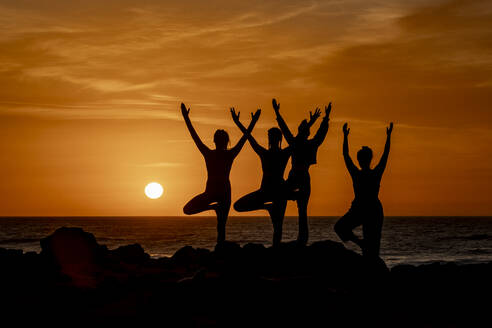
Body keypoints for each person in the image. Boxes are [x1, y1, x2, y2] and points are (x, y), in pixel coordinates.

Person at [181, 102, 260, 243]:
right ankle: (215, 211)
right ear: (223, 141)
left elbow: (195, 137)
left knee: (220, 226)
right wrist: (253, 122)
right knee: (220, 225)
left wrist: (186, 118)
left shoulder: (215, 153)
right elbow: (245, 137)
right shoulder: (221, 154)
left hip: (219, 191)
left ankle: (220, 249)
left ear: (216, 141)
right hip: (217, 191)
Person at [272, 98, 332, 245]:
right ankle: (296, 238)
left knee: (297, 207)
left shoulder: (301, 142)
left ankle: (298, 239)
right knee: (298, 208)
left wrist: (277, 113)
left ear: (300, 131)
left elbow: (319, 134)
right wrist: (325, 118)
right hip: (298, 176)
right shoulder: (306, 143)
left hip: (299, 176)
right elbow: (320, 134)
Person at [231, 108, 291, 246]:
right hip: (266, 191)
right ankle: (267, 207)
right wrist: (238, 122)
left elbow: (249, 137)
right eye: (271, 137)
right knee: (238, 206)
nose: (272, 140)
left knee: (278, 226)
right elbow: (249, 137)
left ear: (277, 139)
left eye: (273, 137)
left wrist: (241, 122)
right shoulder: (267, 153)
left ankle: (275, 251)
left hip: (277, 191)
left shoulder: (280, 153)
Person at [334, 122, 393, 258]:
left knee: (371, 248)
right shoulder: (371, 173)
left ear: (361, 160)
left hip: (370, 211)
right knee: (369, 245)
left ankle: (364, 248)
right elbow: (385, 155)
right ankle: (361, 244)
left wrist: (345, 137)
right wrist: (388, 137)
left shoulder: (361, 173)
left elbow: (346, 156)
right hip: (365, 210)